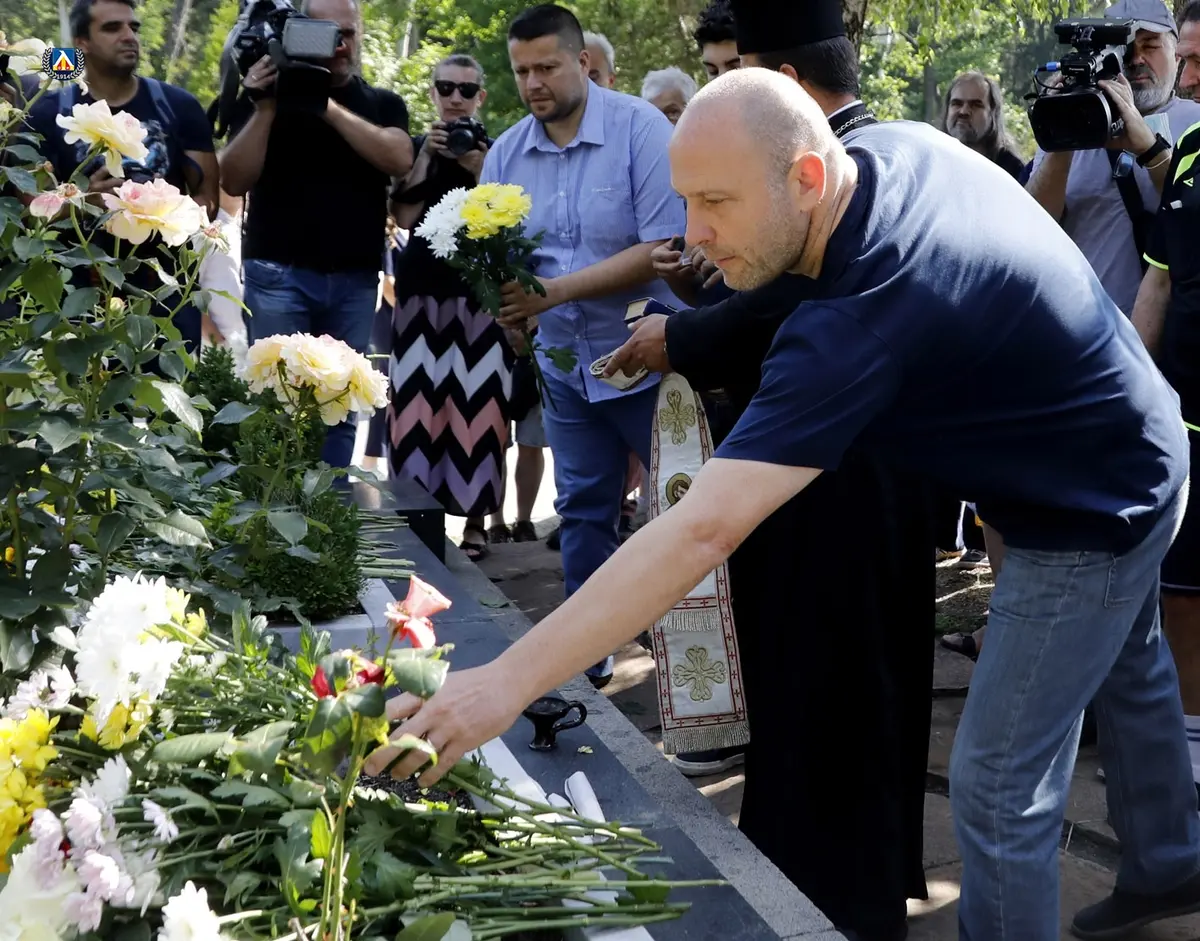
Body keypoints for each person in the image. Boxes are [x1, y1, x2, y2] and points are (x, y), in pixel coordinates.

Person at [370, 68, 1200, 941]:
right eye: (686, 199)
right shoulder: (883, 153)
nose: (692, 234)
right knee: (1129, 658)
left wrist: (503, 682)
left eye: (716, 202)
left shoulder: (858, 317)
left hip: (1092, 505)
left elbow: (702, 528)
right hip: (1135, 433)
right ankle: (1169, 861)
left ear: (805, 176)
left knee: (997, 784)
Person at [608, 4, 934, 937]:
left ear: (783, 86)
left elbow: (781, 297)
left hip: (842, 481)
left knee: (836, 689)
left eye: (735, 74)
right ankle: (815, 873)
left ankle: (833, 896)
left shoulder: (852, 166)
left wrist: (679, 336)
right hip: (831, 472)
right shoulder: (859, 150)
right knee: (812, 688)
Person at [479, 4, 685, 688]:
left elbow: (663, 247)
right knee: (583, 512)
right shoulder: (506, 154)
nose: (533, 83)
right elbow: (500, 260)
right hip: (564, 366)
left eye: (547, 66)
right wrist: (511, 313)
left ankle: (690, 666)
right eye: (521, 71)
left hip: (647, 355)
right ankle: (586, 664)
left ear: (584, 63)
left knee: (676, 510)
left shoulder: (641, 129)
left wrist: (551, 293)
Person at [219, 0, 412, 468]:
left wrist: (321, 102)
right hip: (278, 275)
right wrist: (266, 107)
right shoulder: (266, 97)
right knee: (277, 403)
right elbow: (233, 180)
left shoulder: (382, 104)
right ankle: (276, 506)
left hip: (354, 280)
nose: (340, 44)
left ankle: (332, 505)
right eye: (327, 33)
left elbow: (399, 159)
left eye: (348, 33)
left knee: (339, 404)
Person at [26, 0, 219, 353]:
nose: (129, 36)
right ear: (81, 42)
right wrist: (85, 203)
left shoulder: (178, 107)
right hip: (75, 298)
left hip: (163, 298)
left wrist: (160, 211)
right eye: (113, 28)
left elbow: (208, 200)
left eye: (134, 27)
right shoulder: (49, 113)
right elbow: (29, 212)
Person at [388, 54, 513, 562]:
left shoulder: (498, 151)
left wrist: (478, 167)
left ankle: (476, 523)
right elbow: (403, 214)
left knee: (479, 407)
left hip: (480, 292)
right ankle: (416, 516)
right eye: (445, 88)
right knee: (416, 407)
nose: (455, 98)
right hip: (421, 291)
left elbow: (509, 217)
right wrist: (426, 155)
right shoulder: (419, 147)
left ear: (480, 96)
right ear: (434, 93)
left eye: (465, 89)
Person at [1131, 0, 1200, 798]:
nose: (1189, 79)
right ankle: (1187, 760)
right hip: (1187, 423)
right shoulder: (1187, 157)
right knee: (1181, 592)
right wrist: (1118, 391)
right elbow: (1157, 284)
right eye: (1186, 59)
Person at [1026, 0, 1200, 316]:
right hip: (1080, 322)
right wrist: (1065, 135)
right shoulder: (1066, 121)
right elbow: (1034, 224)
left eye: (1150, 46)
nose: (1136, 59)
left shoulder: (1194, 123)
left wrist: (1150, 149)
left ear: (1176, 54)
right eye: (1122, 49)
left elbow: (1192, 218)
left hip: (1171, 328)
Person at [942, 71, 1025, 179]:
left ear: (993, 113)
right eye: (957, 104)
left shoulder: (1011, 170)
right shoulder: (933, 162)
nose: (963, 111)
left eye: (975, 105)